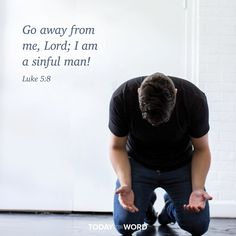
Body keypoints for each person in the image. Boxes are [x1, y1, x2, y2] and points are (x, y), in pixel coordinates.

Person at [108, 72, 213, 235]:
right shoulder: (122, 98)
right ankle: (146, 207)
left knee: (197, 226)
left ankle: (170, 209)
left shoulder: (194, 99)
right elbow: (116, 147)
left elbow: (202, 149)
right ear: (138, 93)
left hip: (180, 164)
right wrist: (126, 184)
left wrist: (198, 188)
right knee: (125, 225)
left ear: (176, 94)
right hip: (139, 163)